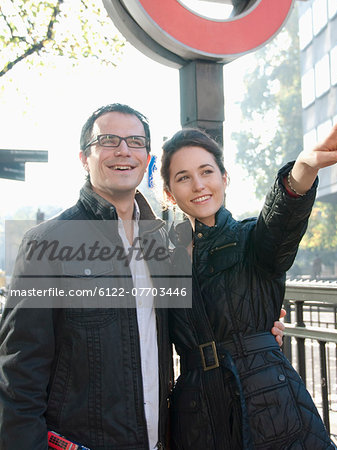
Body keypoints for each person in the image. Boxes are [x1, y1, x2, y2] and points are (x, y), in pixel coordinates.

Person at [0, 102, 284, 450]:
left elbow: (197, 318)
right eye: (108, 140)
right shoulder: (48, 242)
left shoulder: (163, 244)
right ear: (83, 158)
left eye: (135, 141)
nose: (123, 150)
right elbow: (18, 374)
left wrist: (254, 325)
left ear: (147, 157)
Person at [160, 111, 337, 449]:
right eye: (183, 177)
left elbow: (281, 220)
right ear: (169, 193)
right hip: (197, 417)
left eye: (207, 171)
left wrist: (305, 168)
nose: (198, 185)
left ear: (225, 178)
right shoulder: (161, 261)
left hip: (271, 404)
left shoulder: (252, 240)